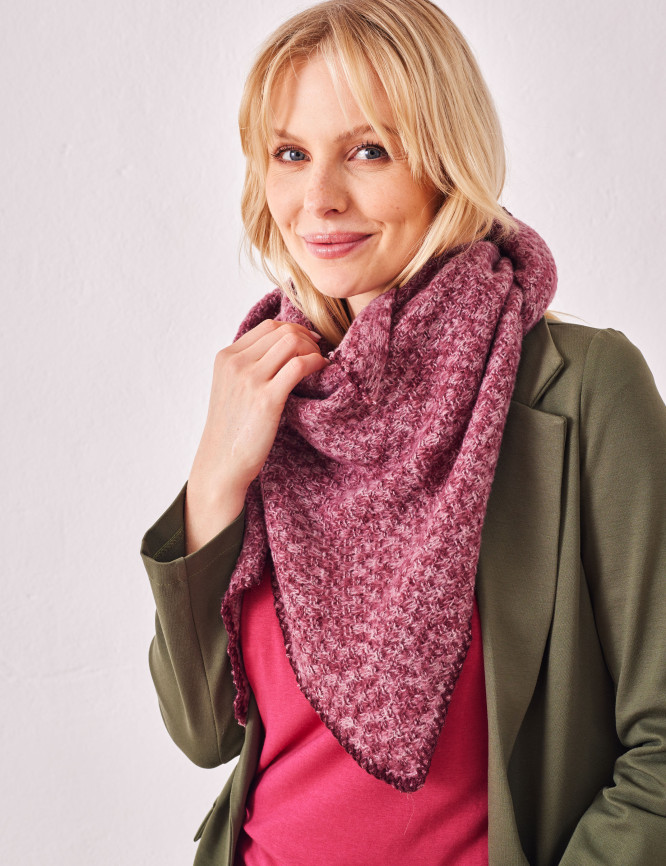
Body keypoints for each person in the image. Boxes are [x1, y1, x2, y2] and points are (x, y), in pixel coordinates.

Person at [140, 1, 666, 863]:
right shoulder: (273, 392)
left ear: (446, 164)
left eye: (368, 151)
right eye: (290, 153)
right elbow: (204, 733)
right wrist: (215, 478)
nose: (319, 199)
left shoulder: (582, 390)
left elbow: (661, 747)